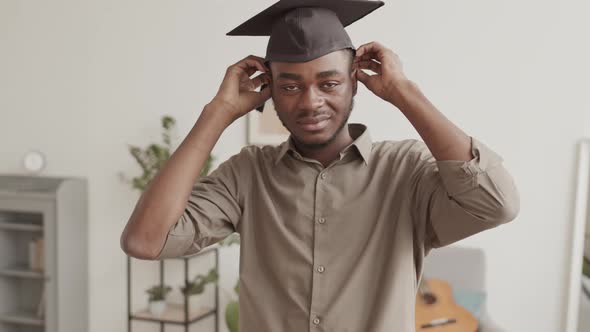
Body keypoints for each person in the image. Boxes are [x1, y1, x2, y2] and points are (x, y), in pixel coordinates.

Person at [120, 0, 520, 331]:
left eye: (329, 83)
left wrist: (403, 92)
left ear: (355, 81)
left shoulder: (406, 171)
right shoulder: (247, 174)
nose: (310, 102)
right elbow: (145, 241)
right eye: (290, 86)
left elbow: (497, 204)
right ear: (269, 90)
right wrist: (218, 112)